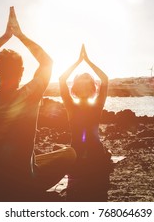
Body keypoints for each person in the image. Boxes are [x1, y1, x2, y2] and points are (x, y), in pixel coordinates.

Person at [0, 6, 75, 201]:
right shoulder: (29, 95)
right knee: (69, 154)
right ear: (21, 71)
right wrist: (20, 35)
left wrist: (5, 36)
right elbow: (47, 62)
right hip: (25, 185)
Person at [59, 45, 112, 201]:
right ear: (74, 88)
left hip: (95, 159)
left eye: (87, 84)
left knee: (97, 197)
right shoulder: (71, 105)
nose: (84, 87)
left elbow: (105, 80)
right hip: (77, 160)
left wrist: (87, 61)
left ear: (92, 88)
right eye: (81, 84)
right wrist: (79, 61)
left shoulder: (96, 104)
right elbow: (62, 80)